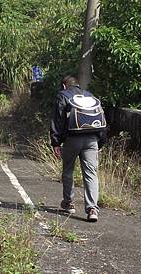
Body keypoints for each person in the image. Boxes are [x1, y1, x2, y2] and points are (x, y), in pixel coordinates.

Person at [50, 75, 107, 222]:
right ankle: (92, 209)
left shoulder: (62, 96)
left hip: (72, 139)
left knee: (68, 170)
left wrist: (56, 142)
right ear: (77, 85)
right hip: (92, 139)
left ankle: (69, 203)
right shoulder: (89, 95)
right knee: (91, 174)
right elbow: (100, 118)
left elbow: (58, 120)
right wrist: (100, 142)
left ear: (64, 86)